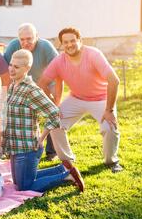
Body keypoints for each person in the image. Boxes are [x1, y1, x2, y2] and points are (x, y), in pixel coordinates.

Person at [38, 27, 122, 173]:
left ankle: (111, 161)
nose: (69, 45)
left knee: (109, 127)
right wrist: (53, 105)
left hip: (101, 98)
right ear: (61, 44)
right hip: (76, 98)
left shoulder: (93, 54)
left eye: (73, 41)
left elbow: (114, 81)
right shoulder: (59, 61)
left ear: (80, 41)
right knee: (55, 122)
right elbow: (42, 83)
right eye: (66, 42)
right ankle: (67, 163)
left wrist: (109, 110)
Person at [2, 49, 84, 193]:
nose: (11, 69)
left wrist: (42, 136)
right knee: (19, 182)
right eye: (11, 65)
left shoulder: (31, 90)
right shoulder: (13, 86)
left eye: (16, 67)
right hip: (16, 145)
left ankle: (67, 176)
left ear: (27, 68)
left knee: (24, 186)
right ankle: (62, 168)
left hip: (28, 146)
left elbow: (55, 113)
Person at [3, 23, 60, 160]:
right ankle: (14, 148)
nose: (25, 42)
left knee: (53, 112)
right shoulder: (13, 46)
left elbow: (58, 72)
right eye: (22, 39)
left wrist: (56, 100)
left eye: (29, 39)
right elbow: (7, 70)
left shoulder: (45, 47)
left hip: (46, 81)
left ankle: (52, 151)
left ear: (37, 37)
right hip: (21, 82)